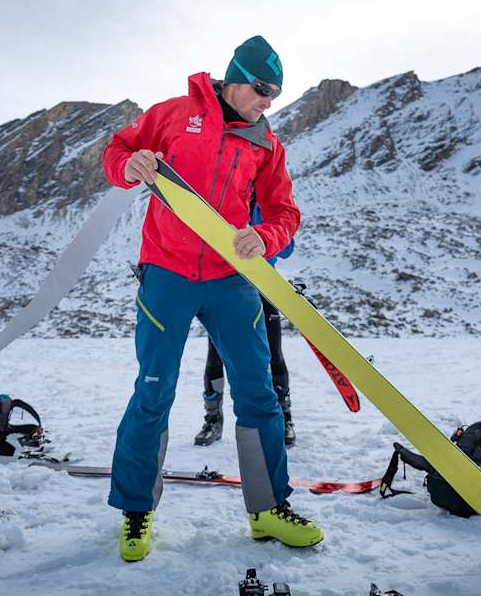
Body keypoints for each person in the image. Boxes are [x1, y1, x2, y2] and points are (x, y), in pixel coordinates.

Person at [101, 36, 323, 562]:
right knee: (153, 392)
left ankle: (268, 508)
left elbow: (285, 214)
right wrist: (129, 167)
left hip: (232, 279)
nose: (268, 101)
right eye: (263, 90)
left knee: (258, 393)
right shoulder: (174, 114)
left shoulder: (267, 143)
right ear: (235, 78)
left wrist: (264, 238)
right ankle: (136, 511)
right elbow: (117, 152)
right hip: (167, 275)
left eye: (275, 94)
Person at [195, 208, 296, 448]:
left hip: (264, 283)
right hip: (227, 286)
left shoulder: (266, 203)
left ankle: (284, 418)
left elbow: (288, 247)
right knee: (216, 355)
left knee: (273, 353)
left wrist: (261, 238)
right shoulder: (223, 197)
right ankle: (213, 419)